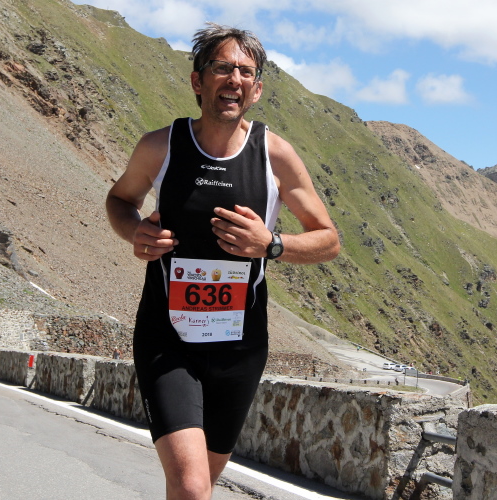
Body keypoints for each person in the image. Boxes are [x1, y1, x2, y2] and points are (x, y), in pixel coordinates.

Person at [106, 23, 339, 499]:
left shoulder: (275, 155)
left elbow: (328, 240)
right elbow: (120, 200)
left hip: (239, 348)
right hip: (167, 339)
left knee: (198, 488)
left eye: (246, 72)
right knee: (192, 487)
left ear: (257, 89)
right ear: (198, 81)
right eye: (222, 68)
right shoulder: (161, 146)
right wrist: (135, 231)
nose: (234, 79)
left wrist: (271, 244)